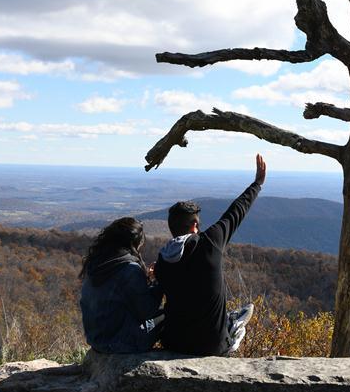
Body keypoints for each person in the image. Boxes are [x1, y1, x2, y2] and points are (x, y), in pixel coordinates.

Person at [154, 153, 267, 356]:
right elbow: (236, 212)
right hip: (212, 346)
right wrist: (257, 184)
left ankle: (230, 320)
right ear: (195, 225)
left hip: (174, 343)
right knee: (228, 323)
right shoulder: (210, 243)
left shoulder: (162, 261)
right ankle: (232, 325)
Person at [80, 217, 164, 353]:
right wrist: (158, 281)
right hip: (120, 343)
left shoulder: (97, 262)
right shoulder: (129, 269)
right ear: (136, 243)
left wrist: (145, 281)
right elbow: (147, 311)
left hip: (97, 340)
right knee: (169, 314)